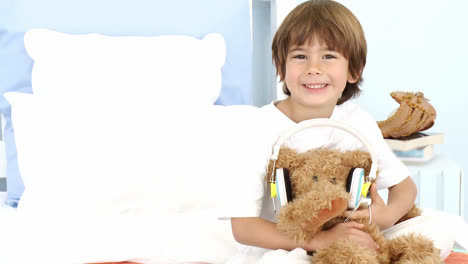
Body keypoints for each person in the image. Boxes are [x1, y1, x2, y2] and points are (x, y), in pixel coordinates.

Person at [226, 0, 418, 260]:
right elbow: (244, 228)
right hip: (281, 246)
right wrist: (320, 239)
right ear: (281, 68)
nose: (313, 68)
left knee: (433, 232)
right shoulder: (257, 128)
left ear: (353, 70)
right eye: (300, 56)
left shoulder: (358, 122)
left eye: (328, 56)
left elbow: (405, 188)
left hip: (346, 245)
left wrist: (387, 214)